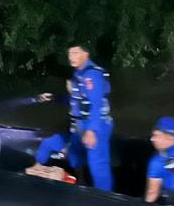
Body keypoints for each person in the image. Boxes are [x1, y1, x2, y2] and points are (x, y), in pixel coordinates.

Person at [33, 45, 114, 191]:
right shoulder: (79, 74)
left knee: (98, 164)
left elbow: (95, 103)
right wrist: (53, 98)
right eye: (69, 53)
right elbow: (76, 100)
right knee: (73, 153)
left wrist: (91, 131)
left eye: (75, 53)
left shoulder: (91, 75)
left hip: (96, 125)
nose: (71, 57)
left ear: (86, 54)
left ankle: (104, 198)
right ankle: (80, 182)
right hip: (80, 126)